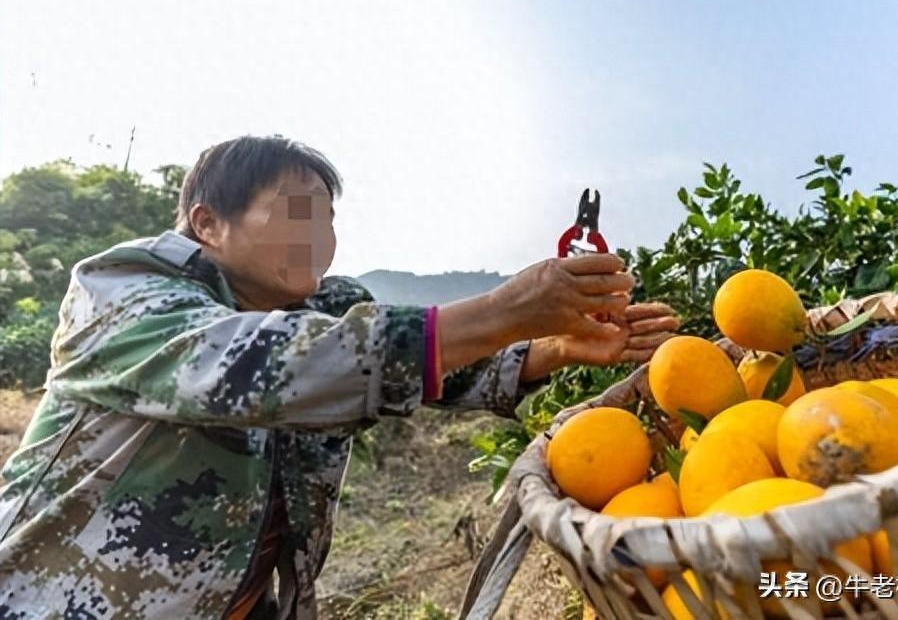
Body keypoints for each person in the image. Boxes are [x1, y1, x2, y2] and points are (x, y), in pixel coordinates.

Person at [0, 135, 679, 619]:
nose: (318, 237)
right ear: (208, 223)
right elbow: (256, 365)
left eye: (325, 219)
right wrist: (504, 309)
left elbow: (434, 364)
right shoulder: (121, 291)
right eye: (297, 214)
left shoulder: (325, 304)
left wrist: (550, 348)